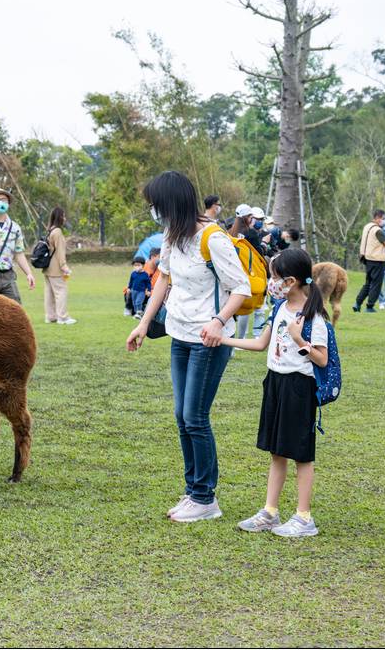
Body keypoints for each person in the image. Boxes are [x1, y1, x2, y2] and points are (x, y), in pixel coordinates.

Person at [127, 171, 250, 523]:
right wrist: (144, 323)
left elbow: (240, 287)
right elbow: (163, 279)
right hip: (179, 335)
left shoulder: (214, 238)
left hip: (208, 340)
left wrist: (218, 321)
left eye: (156, 206)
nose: (153, 212)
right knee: (182, 416)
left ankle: (205, 497)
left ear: (172, 204)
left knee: (195, 417)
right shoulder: (172, 235)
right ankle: (193, 491)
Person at [221, 248, 329, 538]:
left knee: (301, 455)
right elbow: (260, 344)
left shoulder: (313, 316)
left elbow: (321, 359)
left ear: (291, 281)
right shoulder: (280, 308)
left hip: (299, 387)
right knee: (277, 451)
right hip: (276, 383)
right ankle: (270, 511)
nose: (271, 282)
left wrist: (299, 339)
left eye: (274, 277)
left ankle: (304, 517)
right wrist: (223, 340)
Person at [230, 205, 268, 338]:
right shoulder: (251, 233)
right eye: (252, 217)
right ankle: (241, 339)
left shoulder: (230, 232)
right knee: (245, 308)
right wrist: (264, 243)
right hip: (247, 273)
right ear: (248, 218)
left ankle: (233, 342)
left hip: (233, 272)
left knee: (232, 310)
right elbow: (258, 254)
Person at [42, 206, 75, 325]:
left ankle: (50, 316)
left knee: (49, 293)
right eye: (64, 216)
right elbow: (60, 251)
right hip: (56, 268)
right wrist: (64, 266)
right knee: (61, 291)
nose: (65, 218)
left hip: (47, 268)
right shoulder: (58, 232)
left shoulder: (50, 230)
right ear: (60, 217)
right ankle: (63, 317)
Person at [353, 209, 385, 312]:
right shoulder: (378, 230)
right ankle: (370, 306)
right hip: (377, 259)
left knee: (368, 283)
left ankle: (357, 303)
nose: (384, 221)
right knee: (376, 284)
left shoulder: (367, 226)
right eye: (383, 219)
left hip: (367, 258)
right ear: (378, 218)